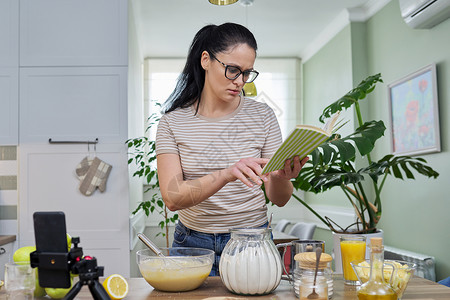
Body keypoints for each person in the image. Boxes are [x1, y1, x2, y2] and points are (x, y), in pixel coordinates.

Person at [155, 22, 308, 276]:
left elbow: (279, 199)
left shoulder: (263, 115)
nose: (240, 82)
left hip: (253, 243)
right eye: (233, 70)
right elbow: (173, 198)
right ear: (206, 60)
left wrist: (280, 178)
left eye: (247, 73)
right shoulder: (172, 123)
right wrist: (227, 173)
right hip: (193, 246)